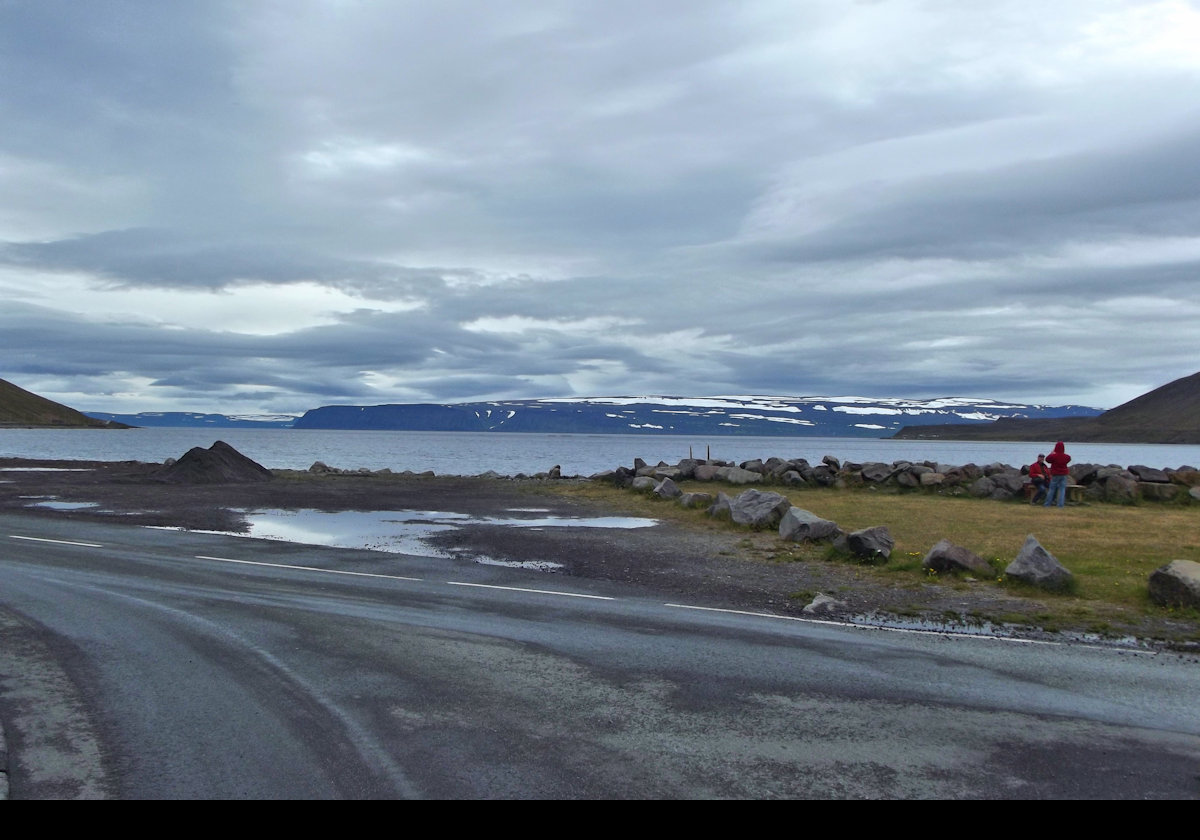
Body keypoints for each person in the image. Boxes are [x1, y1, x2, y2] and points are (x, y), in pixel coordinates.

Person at [1043, 441, 1072, 508]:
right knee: (1062, 490)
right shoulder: (1066, 457)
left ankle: (1047, 504)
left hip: (1055, 474)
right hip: (1063, 474)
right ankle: (1060, 505)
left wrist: (1052, 453)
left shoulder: (1054, 456)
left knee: (1052, 489)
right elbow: (1069, 459)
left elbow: (1047, 459)